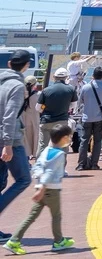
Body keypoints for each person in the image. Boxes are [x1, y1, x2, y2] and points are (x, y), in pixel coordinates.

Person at [3, 122, 75, 254]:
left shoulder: (46, 151)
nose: (70, 140)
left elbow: (37, 167)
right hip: (51, 191)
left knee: (31, 216)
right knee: (56, 216)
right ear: (64, 138)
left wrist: (39, 184)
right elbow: (50, 172)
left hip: (40, 189)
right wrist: (43, 187)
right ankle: (58, 241)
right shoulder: (59, 154)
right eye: (69, 137)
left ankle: (14, 240)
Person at [0, 49, 35, 238]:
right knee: (24, 179)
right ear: (26, 66)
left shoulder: (2, 81)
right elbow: (9, 116)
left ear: (9, 64)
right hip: (10, 140)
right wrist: (8, 144)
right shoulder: (16, 86)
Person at [77, 67, 102, 172]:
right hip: (99, 118)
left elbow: (81, 100)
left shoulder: (86, 87)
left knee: (84, 141)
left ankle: (81, 164)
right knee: (97, 141)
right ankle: (94, 164)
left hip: (86, 117)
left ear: (93, 74)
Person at [36, 69, 76, 156]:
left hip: (46, 121)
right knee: (63, 145)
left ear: (54, 77)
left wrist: (44, 107)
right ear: (66, 77)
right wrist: (65, 107)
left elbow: (38, 107)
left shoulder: (46, 90)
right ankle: (61, 163)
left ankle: (40, 163)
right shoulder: (71, 89)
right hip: (62, 121)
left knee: (43, 145)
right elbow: (73, 106)